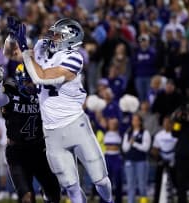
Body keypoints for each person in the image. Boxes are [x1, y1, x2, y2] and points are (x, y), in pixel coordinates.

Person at [10, 18, 112, 203]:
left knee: (100, 180)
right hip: (51, 131)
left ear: (70, 39)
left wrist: (25, 49)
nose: (53, 37)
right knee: (71, 187)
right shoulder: (41, 49)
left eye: (58, 35)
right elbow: (14, 54)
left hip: (75, 124)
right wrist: (13, 38)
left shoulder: (74, 57)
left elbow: (42, 77)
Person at [0, 42, 61, 203]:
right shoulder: (10, 91)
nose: (31, 86)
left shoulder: (43, 92)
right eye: (28, 82)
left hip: (39, 148)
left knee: (54, 194)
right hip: (17, 151)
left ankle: (46, 192)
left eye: (33, 81)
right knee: (26, 197)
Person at [122, 114, 151, 203]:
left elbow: (146, 148)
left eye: (136, 120)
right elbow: (124, 148)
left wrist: (134, 144)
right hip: (129, 161)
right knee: (130, 185)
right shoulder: (128, 133)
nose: (134, 122)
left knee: (142, 185)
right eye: (133, 120)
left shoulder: (145, 132)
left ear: (140, 122)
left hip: (141, 162)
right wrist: (130, 143)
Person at [151, 116, 177, 203]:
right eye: (165, 122)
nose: (166, 124)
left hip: (174, 163)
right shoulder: (159, 135)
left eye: (168, 122)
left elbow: (178, 148)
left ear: (172, 124)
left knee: (176, 183)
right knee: (158, 184)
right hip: (162, 162)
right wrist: (159, 158)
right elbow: (154, 149)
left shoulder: (176, 134)